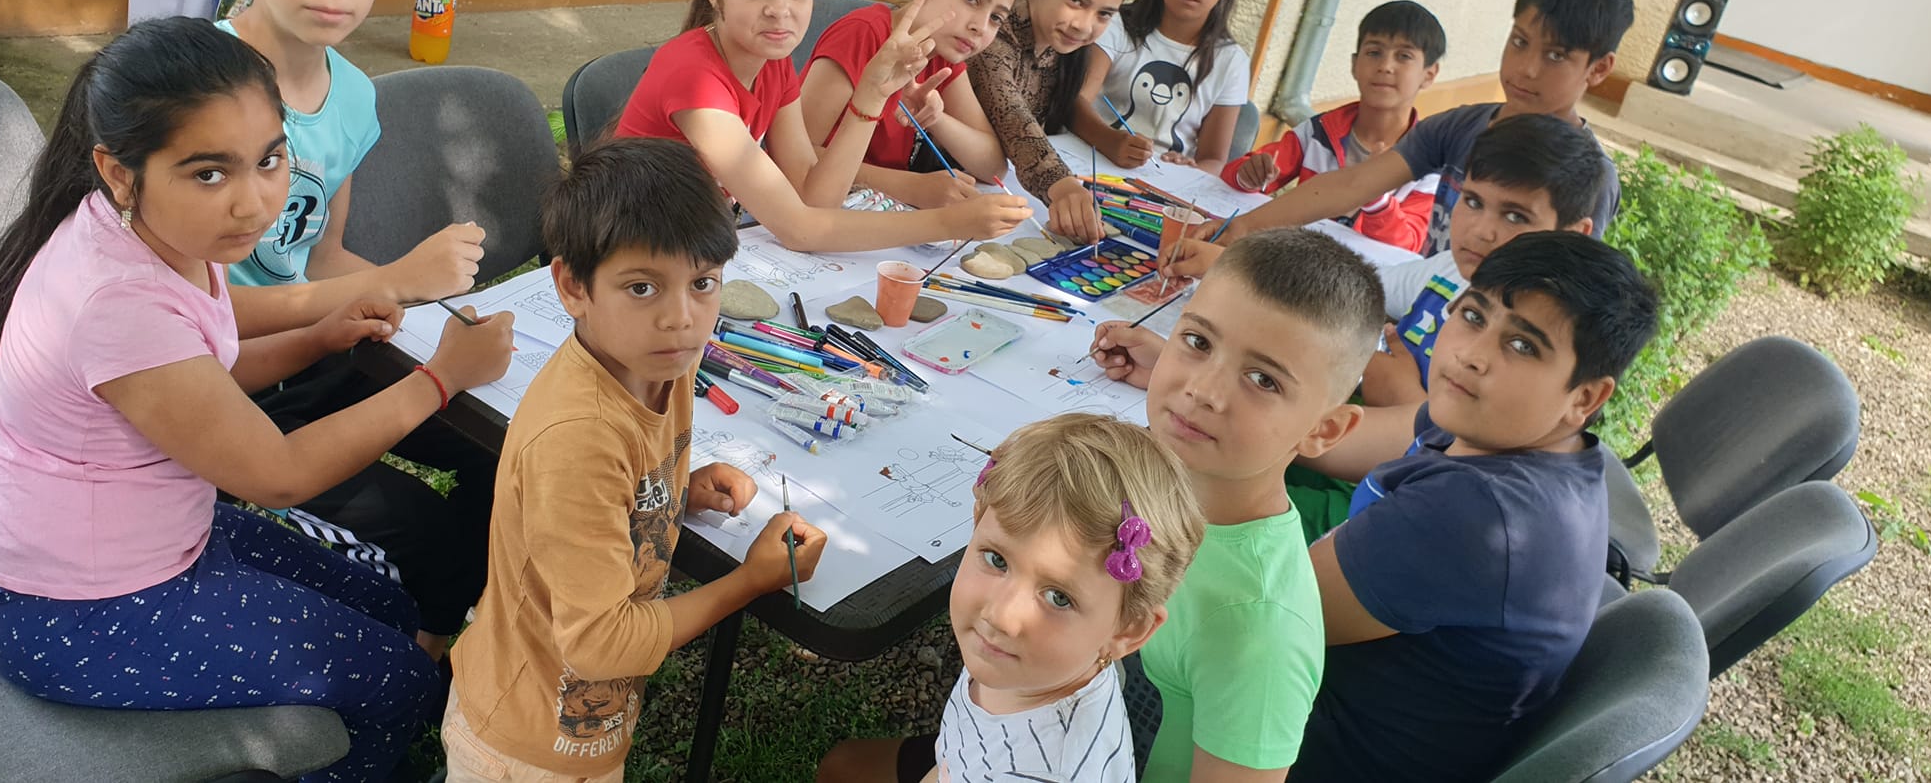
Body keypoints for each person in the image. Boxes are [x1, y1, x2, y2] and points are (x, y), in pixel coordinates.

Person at [0, 17, 514, 783]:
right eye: (210, 173)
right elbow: (277, 474)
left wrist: (315, 337)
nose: (253, 203)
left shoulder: (151, 232)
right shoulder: (117, 301)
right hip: (77, 614)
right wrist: (440, 379)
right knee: (398, 680)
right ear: (118, 171)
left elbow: (199, 360)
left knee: (390, 606)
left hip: (158, 544)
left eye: (269, 159)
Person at [445, 137, 826, 783]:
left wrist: (672, 490)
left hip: (572, 727)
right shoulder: (578, 439)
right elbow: (601, 645)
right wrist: (749, 582)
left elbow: (611, 488)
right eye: (642, 287)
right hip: (522, 750)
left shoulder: (659, 360)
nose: (681, 318)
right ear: (573, 286)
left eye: (703, 283)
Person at [220, 0, 499, 659]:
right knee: (428, 532)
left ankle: (440, 634)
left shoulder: (352, 93)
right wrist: (399, 278)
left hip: (325, 350)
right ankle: (418, 666)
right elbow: (178, 312)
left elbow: (324, 253)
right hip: (228, 389)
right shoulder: (198, 87)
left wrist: (420, 301)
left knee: (501, 451)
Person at [1292, 231, 1659, 782]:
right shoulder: (1502, 430)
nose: (1472, 355)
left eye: (1523, 346)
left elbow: (1260, 617)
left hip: (1302, 750)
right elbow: (1333, 441)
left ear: (1584, 397)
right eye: (1473, 315)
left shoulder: (1479, 514)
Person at [1087, 229, 1386, 782]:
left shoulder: (1259, 631)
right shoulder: (1145, 482)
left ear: (1323, 430)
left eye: (1262, 380)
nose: (1205, 390)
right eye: (1198, 342)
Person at [615, 0, 1031, 252]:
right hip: (632, 252)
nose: (779, 9)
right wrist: (948, 223)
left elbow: (814, 198)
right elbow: (800, 229)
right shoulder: (696, 80)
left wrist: (870, 96)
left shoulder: (773, 62)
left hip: (688, 247)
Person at [1169, 0, 1635, 277]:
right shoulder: (1460, 126)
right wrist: (1240, 231)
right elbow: (1353, 184)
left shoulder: (1591, 178)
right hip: (1417, 311)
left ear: (1598, 69)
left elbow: (1561, 295)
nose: (1527, 68)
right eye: (1519, 42)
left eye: (1556, 55)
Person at [817, 413, 1203, 783]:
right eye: (997, 560)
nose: (1002, 615)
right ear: (977, 522)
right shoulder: (1033, 666)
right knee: (842, 765)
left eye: (1058, 597)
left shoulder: (1048, 772)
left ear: (1127, 631)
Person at [1283, 113, 1610, 543]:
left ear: (1573, 233)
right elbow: (1354, 289)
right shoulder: (1452, 270)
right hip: (1348, 438)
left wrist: (1400, 391)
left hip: (1391, 494)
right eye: (1472, 201)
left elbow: (1460, 453)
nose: (1482, 230)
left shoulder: (1548, 339)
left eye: (1515, 216)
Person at [801, 0, 1021, 209]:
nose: (980, 26)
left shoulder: (942, 54)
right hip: (818, 209)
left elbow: (993, 168)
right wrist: (910, 186)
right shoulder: (863, 34)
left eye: (996, 18)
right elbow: (796, 156)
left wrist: (937, 119)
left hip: (877, 211)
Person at [1220, 0, 1446, 253]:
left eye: (1404, 56)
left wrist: (1376, 197)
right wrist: (1248, 175)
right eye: (1374, 52)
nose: (1385, 66)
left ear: (1429, 74)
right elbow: (1239, 174)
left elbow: (1409, 244)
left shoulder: (1428, 163)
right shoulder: (1319, 131)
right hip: (1293, 259)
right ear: (1354, 65)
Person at [969, 0, 1145, 242]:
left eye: (1104, 14)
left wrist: (1109, 139)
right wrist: (1061, 185)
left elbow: (1068, 105)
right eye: (1076, 0)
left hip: (996, 192)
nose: (1084, 25)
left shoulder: (1064, 41)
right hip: (942, 188)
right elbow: (1011, 112)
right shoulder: (993, 28)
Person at [1080, 0, 1249, 175]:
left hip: (1164, 182)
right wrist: (1110, 141)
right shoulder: (1115, 24)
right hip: (1089, 160)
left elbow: (1213, 160)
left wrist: (1189, 170)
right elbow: (1076, 102)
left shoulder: (1231, 60)